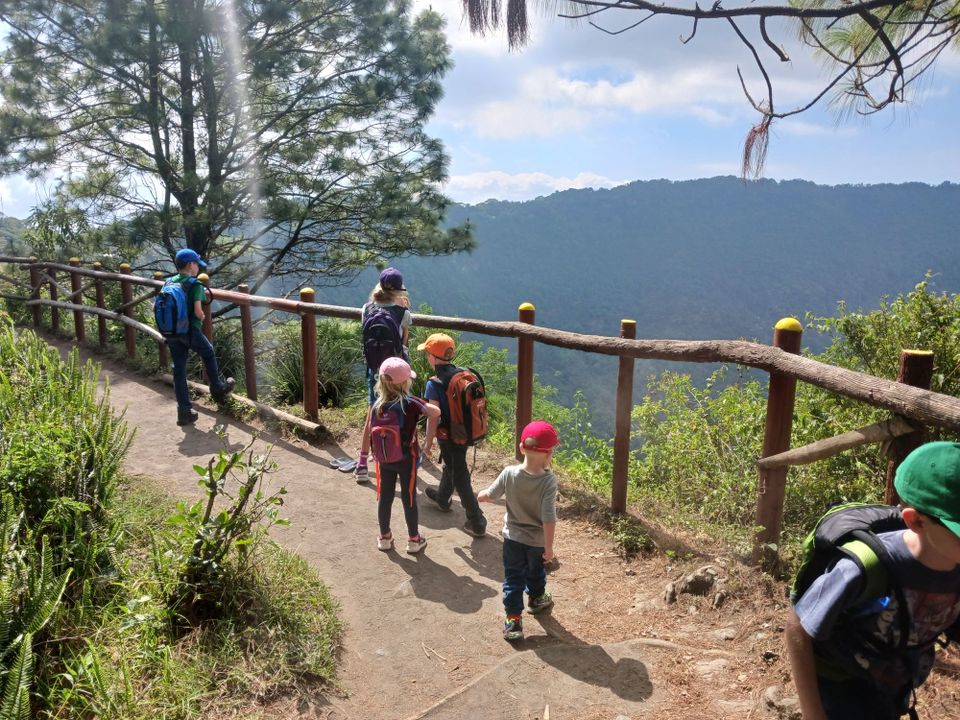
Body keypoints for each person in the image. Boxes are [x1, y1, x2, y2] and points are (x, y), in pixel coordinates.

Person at [786, 441, 960, 720]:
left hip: (894, 682)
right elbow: (798, 626)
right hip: (842, 686)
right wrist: (813, 714)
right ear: (916, 521)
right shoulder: (863, 568)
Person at [478, 420, 559, 641]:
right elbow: (548, 517)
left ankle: (513, 620)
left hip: (512, 539)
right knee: (536, 571)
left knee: (513, 578)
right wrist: (549, 547)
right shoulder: (548, 481)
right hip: (536, 542)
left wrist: (481, 495)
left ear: (522, 448)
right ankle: (537, 599)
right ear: (549, 453)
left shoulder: (509, 473)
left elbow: (490, 494)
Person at [367, 356, 438, 554]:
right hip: (407, 458)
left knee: (385, 497)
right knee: (409, 497)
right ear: (405, 382)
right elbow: (435, 412)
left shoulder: (377, 406)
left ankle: (384, 537)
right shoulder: (410, 402)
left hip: (384, 459)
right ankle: (414, 540)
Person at [420, 333, 487, 538]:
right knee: (453, 465)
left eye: (428, 354)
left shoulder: (434, 383)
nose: (427, 357)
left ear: (434, 358)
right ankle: (442, 498)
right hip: (465, 432)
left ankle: (476, 521)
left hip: (448, 436)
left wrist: (428, 443)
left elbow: (434, 417)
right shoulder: (464, 374)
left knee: (460, 476)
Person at [353, 267, 411, 481]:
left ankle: (362, 464)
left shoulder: (366, 308)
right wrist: (403, 308)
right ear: (398, 291)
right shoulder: (403, 313)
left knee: (373, 412)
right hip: (397, 370)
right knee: (401, 411)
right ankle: (399, 458)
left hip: (375, 369)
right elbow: (404, 341)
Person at [165, 248, 234, 426]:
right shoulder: (195, 285)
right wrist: (202, 316)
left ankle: (184, 411)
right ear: (190, 265)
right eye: (197, 264)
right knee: (208, 352)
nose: (198, 268)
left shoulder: (169, 281)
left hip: (171, 332)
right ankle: (217, 388)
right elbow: (197, 312)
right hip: (189, 331)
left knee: (179, 370)